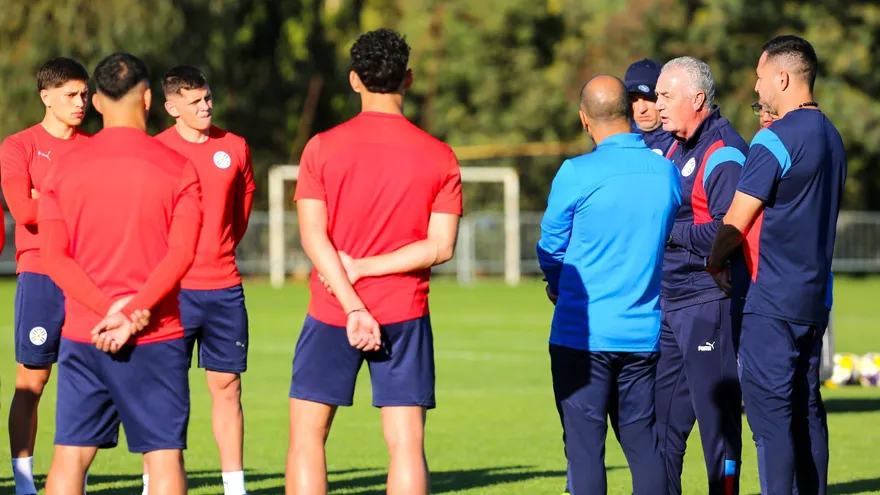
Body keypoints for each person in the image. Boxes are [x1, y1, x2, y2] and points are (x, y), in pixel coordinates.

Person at [287, 28, 461, 495]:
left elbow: (312, 235)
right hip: (405, 311)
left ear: (353, 80)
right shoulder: (440, 155)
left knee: (307, 438)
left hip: (330, 309)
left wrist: (352, 296)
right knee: (406, 445)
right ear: (407, 79)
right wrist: (369, 272)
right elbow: (441, 247)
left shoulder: (321, 147)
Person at [38, 52, 202, 495]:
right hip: (155, 334)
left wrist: (107, 309)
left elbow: (53, 257)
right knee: (164, 456)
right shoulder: (179, 168)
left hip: (84, 333)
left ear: (96, 103)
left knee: (69, 456)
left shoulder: (62, 168)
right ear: (148, 99)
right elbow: (182, 253)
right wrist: (132, 311)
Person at [707, 35, 843, 495]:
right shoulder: (832, 135)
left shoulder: (775, 136)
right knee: (807, 411)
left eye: (761, 76)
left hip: (770, 301)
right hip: (814, 301)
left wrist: (714, 261)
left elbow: (735, 222)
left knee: (769, 424)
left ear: (783, 78)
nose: (757, 84)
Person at [538, 75, 681, 495]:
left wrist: (556, 282)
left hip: (582, 336)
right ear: (628, 114)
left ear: (585, 119)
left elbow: (550, 245)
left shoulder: (576, 172)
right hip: (642, 335)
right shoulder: (666, 172)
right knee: (643, 443)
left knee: (584, 449)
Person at [151, 64, 255, 495]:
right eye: (194, 102)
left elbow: (241, 214)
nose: (205, 106)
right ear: (172, 107)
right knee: (165, 392)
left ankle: (234, 486)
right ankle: (156, 481)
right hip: (171, 292)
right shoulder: (154, 150)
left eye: (207, 98)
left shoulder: (235, 146)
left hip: (224, 288)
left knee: (227, 387)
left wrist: (218, 249)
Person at [653, 56, 748, 494]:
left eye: (665, 95)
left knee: (718, 426)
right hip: (671, 302)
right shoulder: (673, 146)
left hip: (708, 302)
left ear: (697, 99)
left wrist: (668, 231)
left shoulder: (723, 151)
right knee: (661, 425)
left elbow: (731, 226)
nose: (657, 104)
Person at [0, 56, 90, 495]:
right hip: (38, 271)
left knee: (85, 381)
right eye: (71, 95)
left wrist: (47, 195)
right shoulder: (18, 145)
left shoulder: (94, 147)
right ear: (46, 96)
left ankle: (75, 477)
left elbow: (103, 213)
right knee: (32, 382)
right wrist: (70, 200)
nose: (81, 102)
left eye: (84, 94)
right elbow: (22, 211)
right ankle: (22, 483)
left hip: (87, 272)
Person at [624, 58, 676, 155]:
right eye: (634, 100)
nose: (642, 109)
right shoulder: (618, 143)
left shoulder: (682, 142)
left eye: (648, 98)